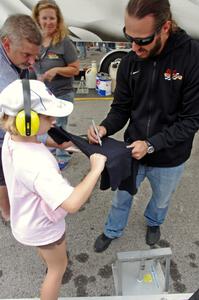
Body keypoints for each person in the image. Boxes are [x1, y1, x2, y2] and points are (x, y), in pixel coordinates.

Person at [87, 0, 199, 252]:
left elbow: (192, 120)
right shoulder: (130, 62)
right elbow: (121, 108)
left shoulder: (192, 57)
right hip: (131, 151)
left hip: (171, 156)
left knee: (161, 201)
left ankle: (153, 222)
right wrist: (104, 128)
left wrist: (151, 144)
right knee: (121, 197)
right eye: (129, 37)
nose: (134, 47)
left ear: (165, 27)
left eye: (143, 40)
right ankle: (112, 230)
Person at [0, 78, 106, 300]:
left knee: (50, 259)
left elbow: (32, 140)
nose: (54, 119)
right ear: (26, 120)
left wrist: (54, 142)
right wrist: (95, 168)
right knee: (58, 269)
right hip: (43, 226)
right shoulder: (36, 164)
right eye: (48, 116)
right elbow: (72, 203)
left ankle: (48, 259)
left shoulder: (12, 138)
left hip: (27, 220)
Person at [0, 14, 42, 223]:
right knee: (2, 170)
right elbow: (13, 127)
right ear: (6, 43)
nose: (32, 63)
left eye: (36, 56)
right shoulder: (5, 82)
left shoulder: (17, 60)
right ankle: (6, 211)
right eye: (27, 55)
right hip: (4, 128)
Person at [32, 0, 80, 170]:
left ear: (58, 20)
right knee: (43, 126)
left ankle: (62, 154)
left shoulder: (64, 42)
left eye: (52, 18)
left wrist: (57, 70)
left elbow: (75, 69)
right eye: (44, 18)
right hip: (42, 95)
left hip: (62, 93)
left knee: (58, 126)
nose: (48, 22)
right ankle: (49, 152)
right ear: (37, 19)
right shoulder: (34, 41)